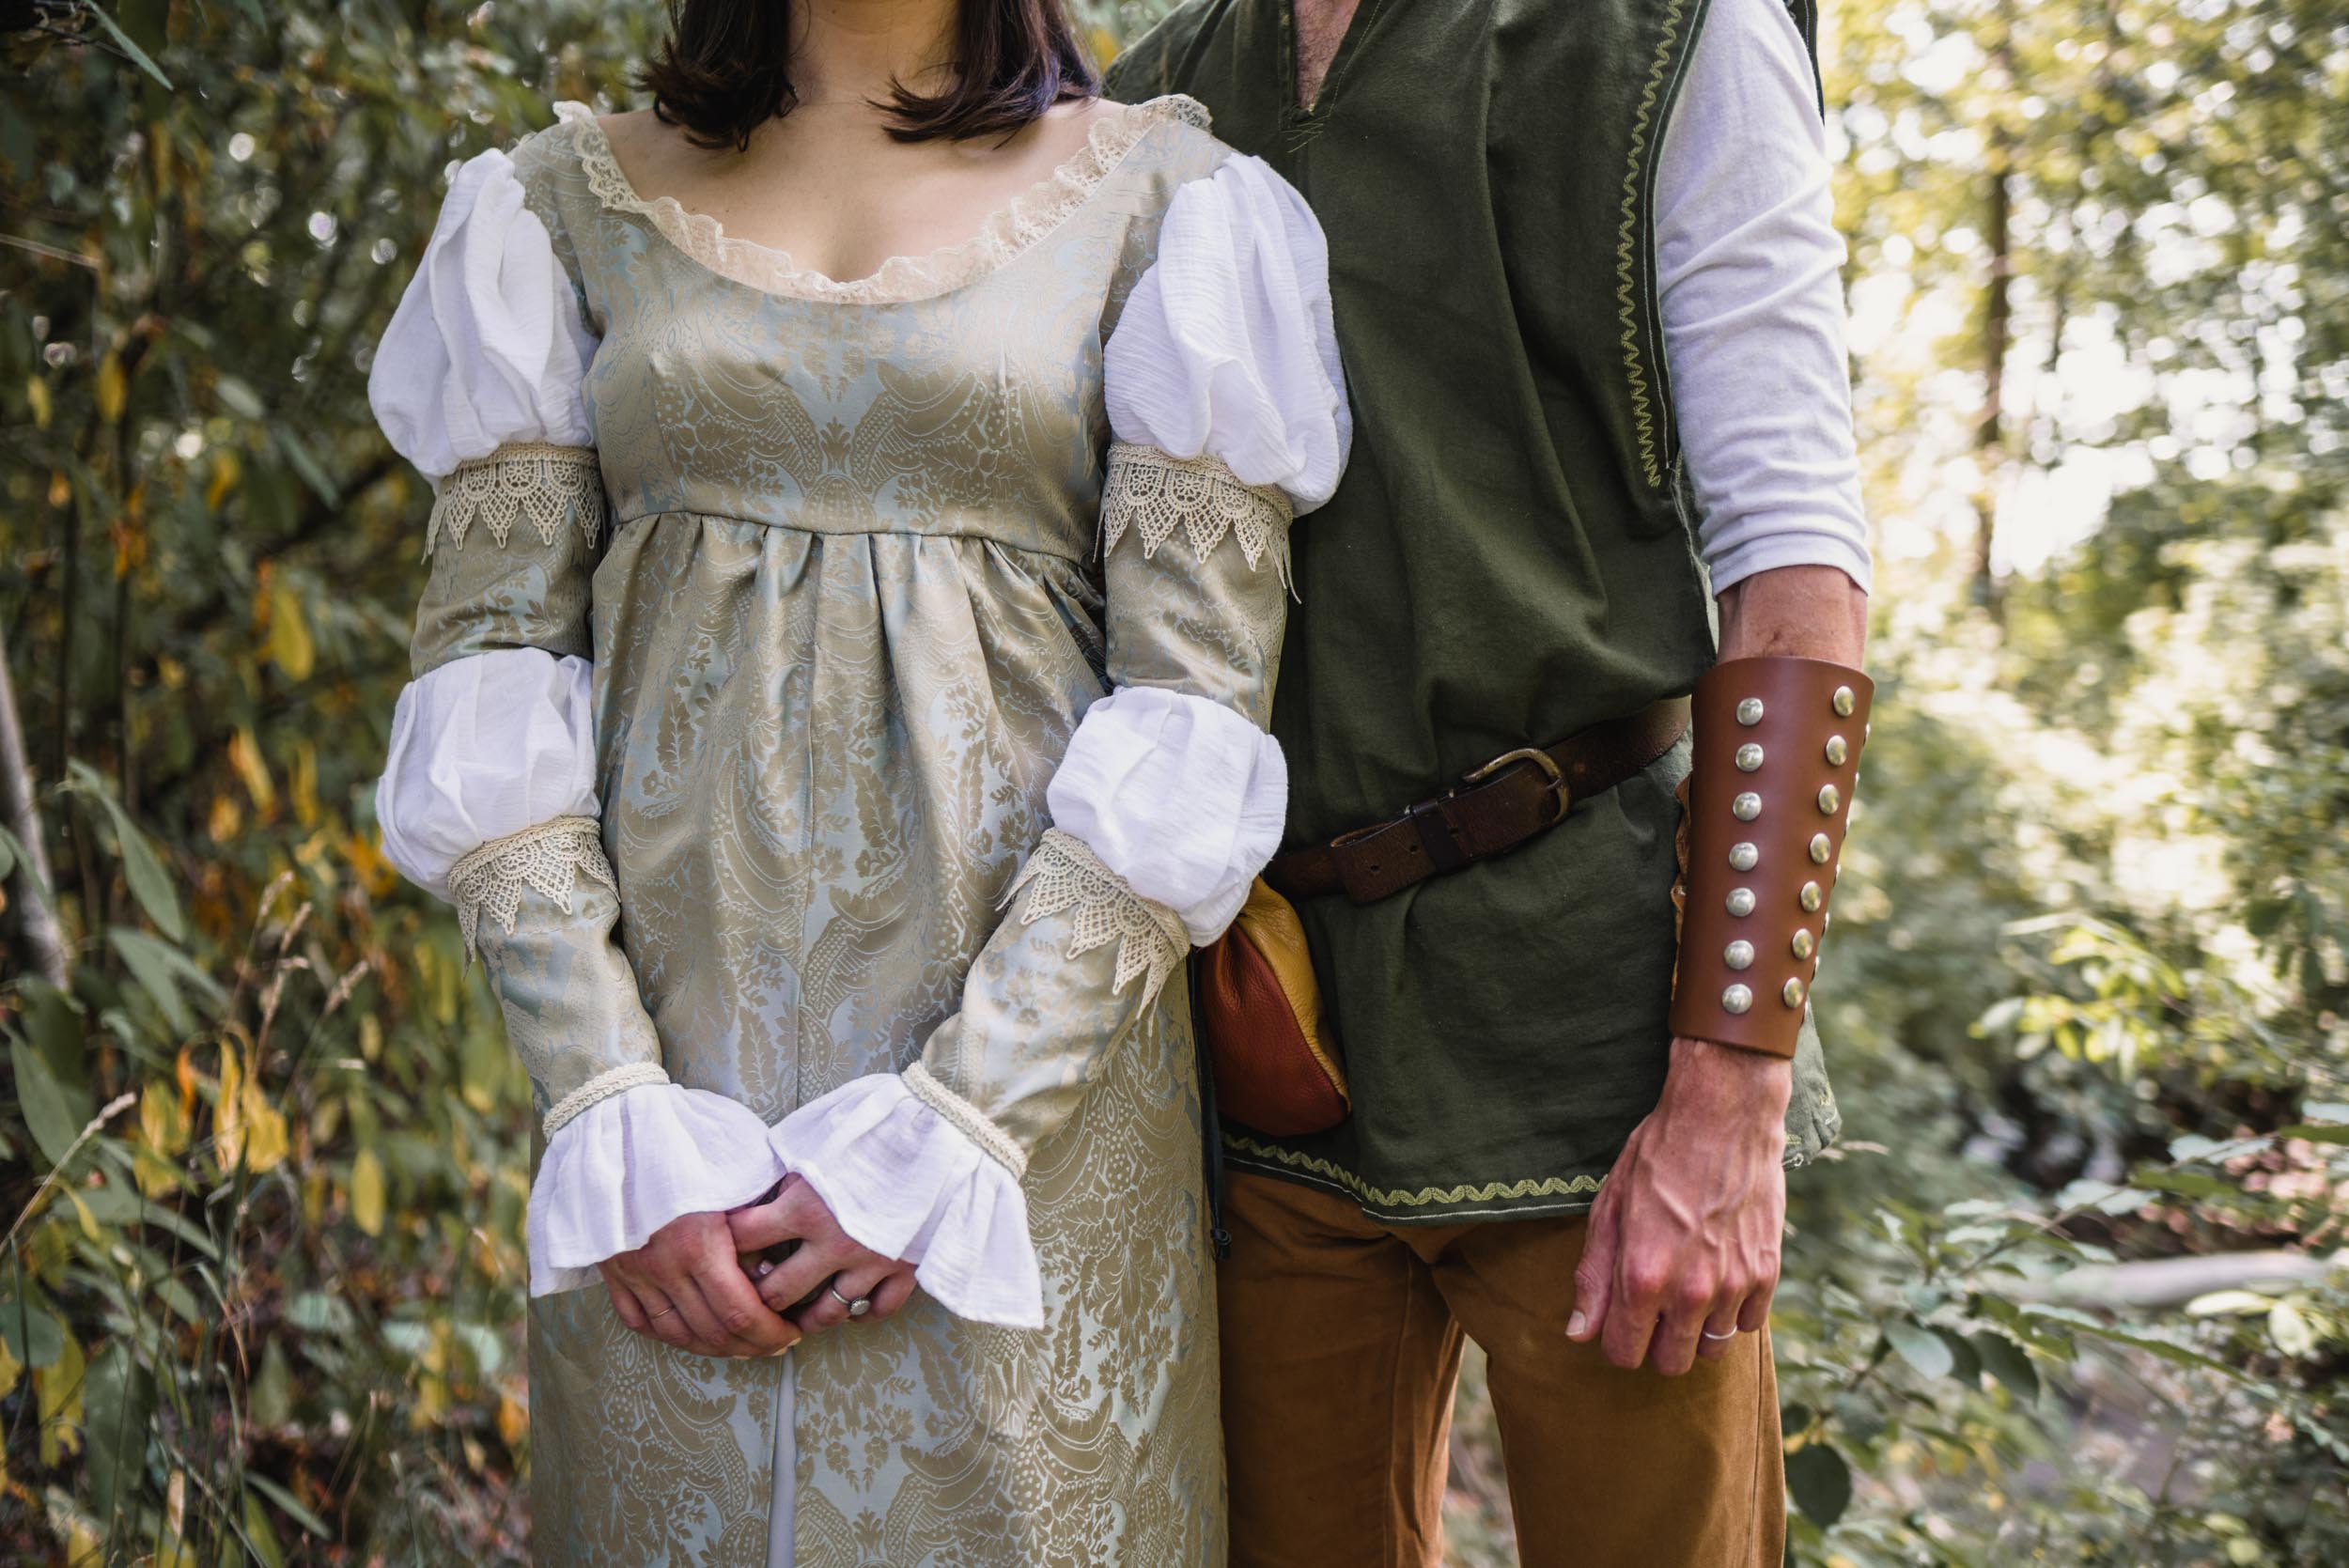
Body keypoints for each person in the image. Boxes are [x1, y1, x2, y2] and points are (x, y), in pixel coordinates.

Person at [366, 0, 1347, 1560]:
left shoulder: (1162, 201)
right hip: (667, 1127)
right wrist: (609, 1105)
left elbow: (1193, 718)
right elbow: (485, 678)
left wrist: (963, 1121)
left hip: (1028, 1129)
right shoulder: (559, 204)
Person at [1106, 0, 1871, 1563]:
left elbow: (1797, 580)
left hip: (1594, 1044)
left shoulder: (1672, 41)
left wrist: (1730, 1094)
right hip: (1264, 1039)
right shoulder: (1149, 102)